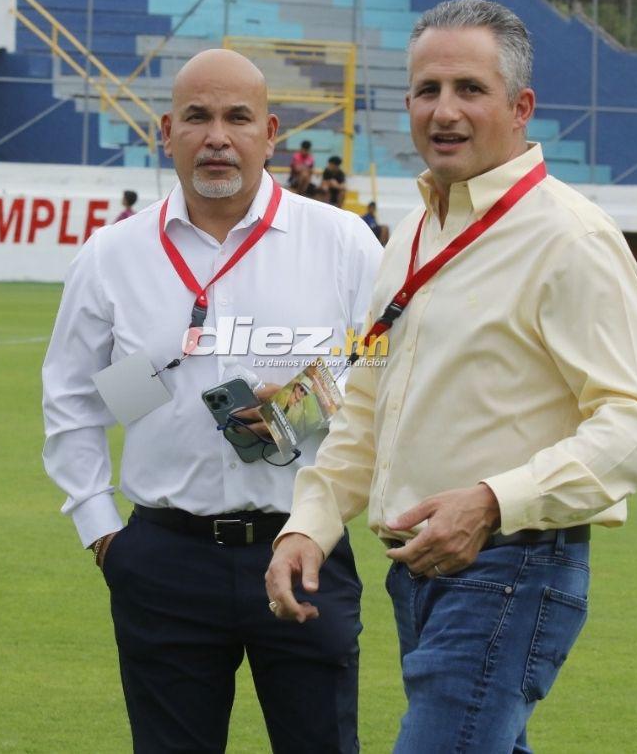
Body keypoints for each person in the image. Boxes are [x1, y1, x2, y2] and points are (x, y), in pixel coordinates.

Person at [266, 0, 637, 752]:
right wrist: (310, 526)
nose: (444, 111)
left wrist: (492, 502)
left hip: (513, 565)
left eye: (470, 89)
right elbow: (366, 402)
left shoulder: (571, 238)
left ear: (521, 108)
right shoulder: (411, 233)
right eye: (428, 90)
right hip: (415, 570)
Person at [42, 49, 382, 753]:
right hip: (165, 559)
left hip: (304, 545)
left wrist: (302, 406)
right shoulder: (113, 255)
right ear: (167, 132)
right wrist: (104, 534)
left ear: (270, 133)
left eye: (238, 118)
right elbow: (74, 401)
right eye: (197, 117)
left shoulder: (341, 242)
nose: (217, 137)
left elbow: (384, 369)